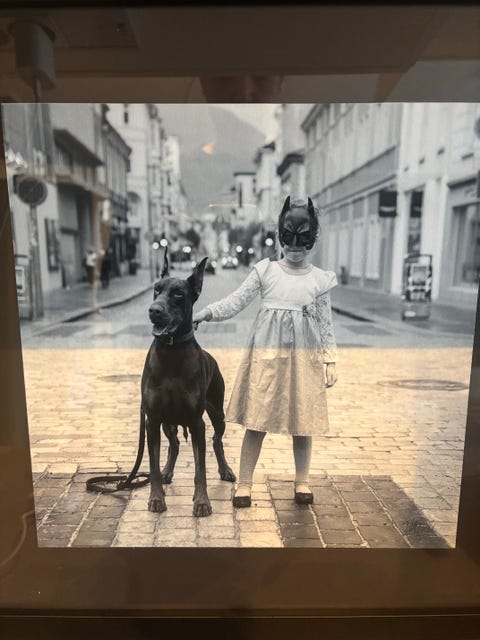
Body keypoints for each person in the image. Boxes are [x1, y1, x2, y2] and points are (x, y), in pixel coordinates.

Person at [193, 196, 338, 507]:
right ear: (280, 236)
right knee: (256, 421)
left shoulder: (319, 279)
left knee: (303, 422)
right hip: (266, 358)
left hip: (304, 358)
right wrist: (207, 313)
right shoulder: (266, 271)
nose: (295, 248)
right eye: (290, 240)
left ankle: (302, 481)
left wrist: (330, 359)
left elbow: (325, 322)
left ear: (312, 239)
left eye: (303, 241)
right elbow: (236, 301)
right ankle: (244, 483)